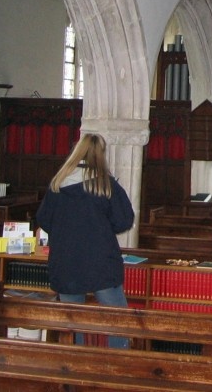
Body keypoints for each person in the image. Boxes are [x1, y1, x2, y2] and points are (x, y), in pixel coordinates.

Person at [35, 132, 135, 348]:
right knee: (117, 320)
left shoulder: (58, 184)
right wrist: (99, 227)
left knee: (74, 321)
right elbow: (124, 220)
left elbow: (44, 219)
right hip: (100, 261)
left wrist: (67, 231)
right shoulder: (105, 185)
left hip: (66, 260)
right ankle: (118, 363)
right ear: (101, 155)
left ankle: (78, 364)